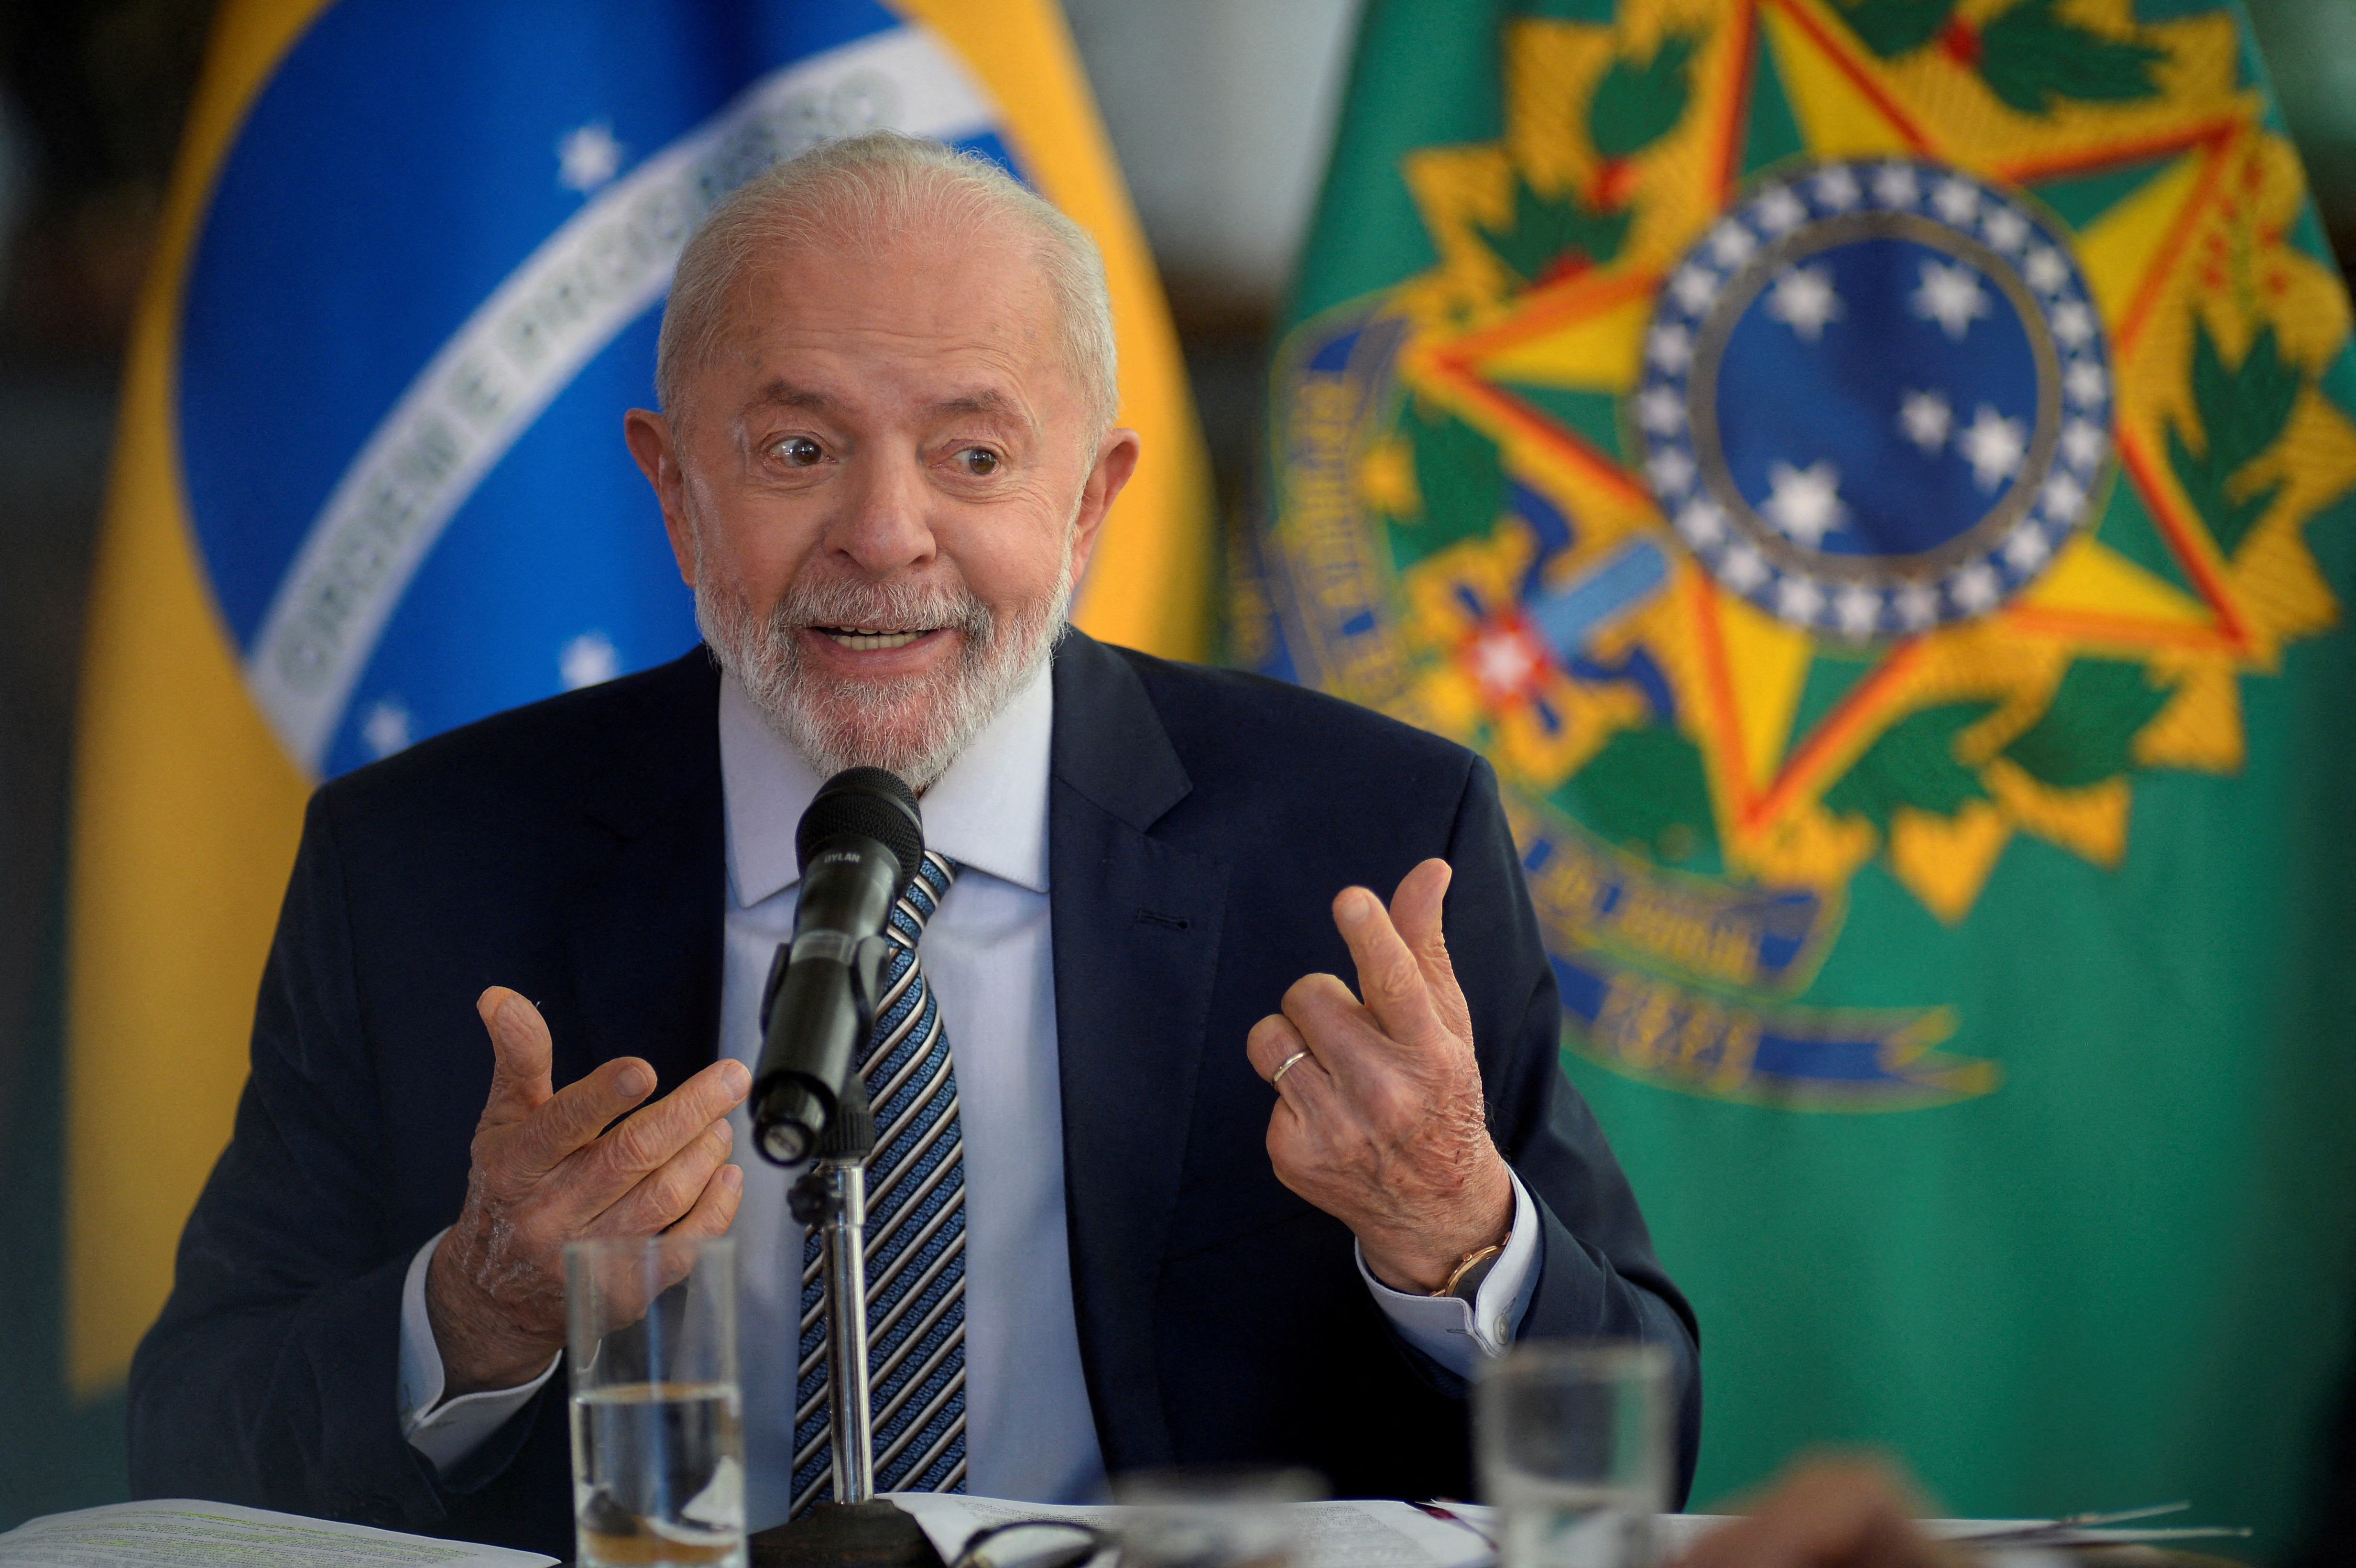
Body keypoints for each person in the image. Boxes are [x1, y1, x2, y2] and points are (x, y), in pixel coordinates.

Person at [128, 132, 1698, 1557]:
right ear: (673, 496)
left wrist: (1452, 1237)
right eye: (799, 452)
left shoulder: (1364, 843)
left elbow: (1645, 1442)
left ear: (1090, 509)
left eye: (974, 456)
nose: (887, 534)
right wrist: (475, 1311)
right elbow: (187, 1439)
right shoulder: (417, 866)